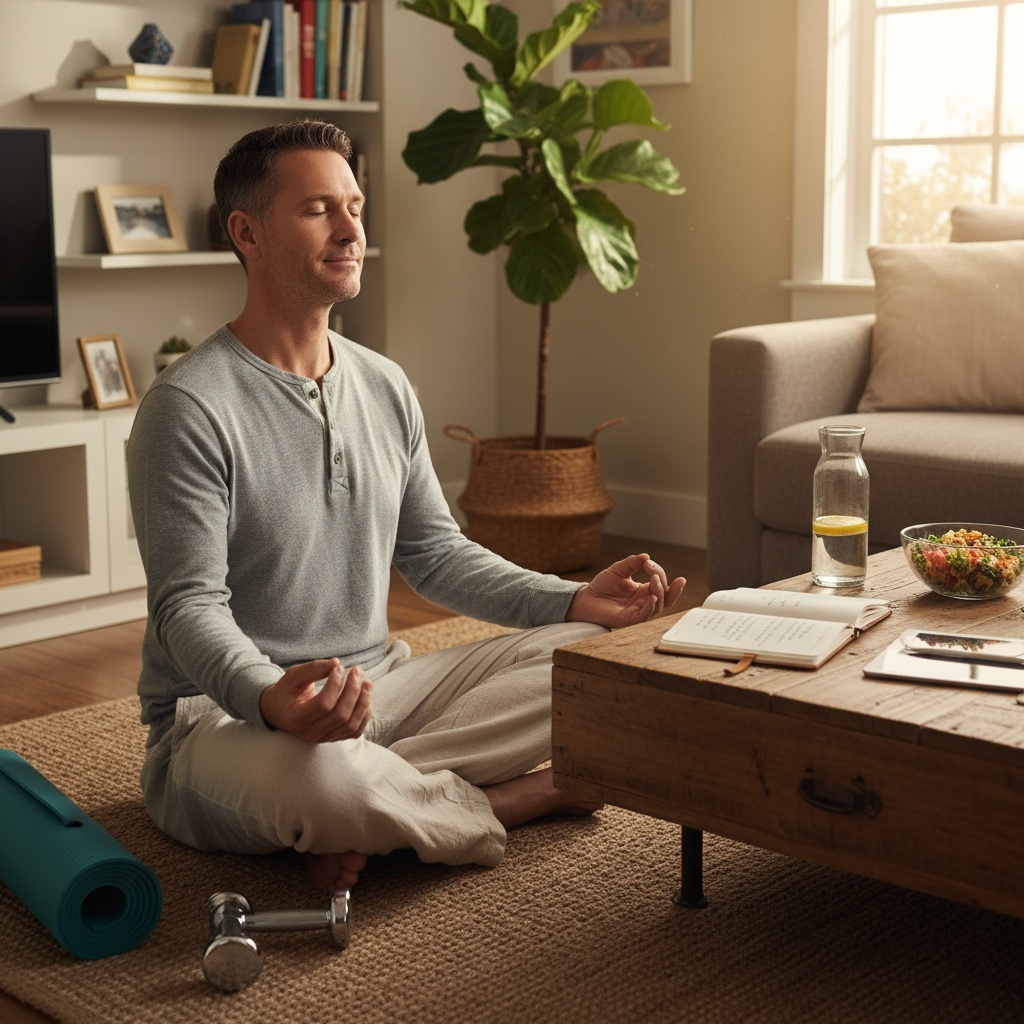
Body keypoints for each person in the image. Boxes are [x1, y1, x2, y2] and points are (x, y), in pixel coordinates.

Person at [126, 119, 685, 894]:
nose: (352, 229)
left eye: (355, 206)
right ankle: (514, 797)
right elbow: (186, 606)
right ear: (246, 233)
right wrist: (270, 700)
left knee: (608, 660)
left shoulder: (384, 384)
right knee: (321, 783)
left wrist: (572, 599)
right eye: (320, 209)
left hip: (383, 692)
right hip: (225, 723)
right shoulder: (188, 406)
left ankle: (375, 812)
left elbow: (435, 553)